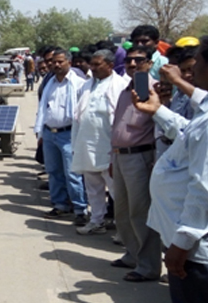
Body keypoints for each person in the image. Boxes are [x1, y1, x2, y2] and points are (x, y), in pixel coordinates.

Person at [135, 32, 208, 303]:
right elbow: (190, 136)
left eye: (198, 60)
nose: (192, 68)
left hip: (197, 246)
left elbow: (206, 191)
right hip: (200, 237)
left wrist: (182, 244)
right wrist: (158, 110)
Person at [108, 44, 162, 283]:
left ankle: (149, 266)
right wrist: (112, 157)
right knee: (122, 211)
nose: (132, 64)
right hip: (119, 156)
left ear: (149, 63)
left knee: (140, 212)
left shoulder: (153, 90)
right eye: (129, 60)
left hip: (140, 157)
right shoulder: (125, 90)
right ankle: (132, 255)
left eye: (138, 60)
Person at [71, 49, 129, 235]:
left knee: (116, 190)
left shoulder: (121, 86)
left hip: (109, 147)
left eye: (97, 64)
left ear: (110, 65)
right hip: (87, 144)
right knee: (93, 188)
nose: (92, 68)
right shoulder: (87, 85)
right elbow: (78, 116)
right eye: (92, 64)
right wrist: (75, 145)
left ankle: (124, 229)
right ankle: (97, 221)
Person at [34, 48, 88, 225]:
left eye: (60, 62)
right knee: (53, 172)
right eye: (54, 62)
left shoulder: (79, 84)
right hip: (50, 133)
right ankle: (60, 205)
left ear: (69, 63)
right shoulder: (50, 83)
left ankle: (80, 209)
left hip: (69, 134)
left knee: (73, 174)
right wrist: (40, 132)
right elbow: (43, 108)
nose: (56, 65)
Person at [153, 38, 208, 159]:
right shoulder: (179, 93)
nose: (187, 75)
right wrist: (164, 102)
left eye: (191, 70)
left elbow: (189, 130)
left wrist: (156, 108)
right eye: (183, 71)